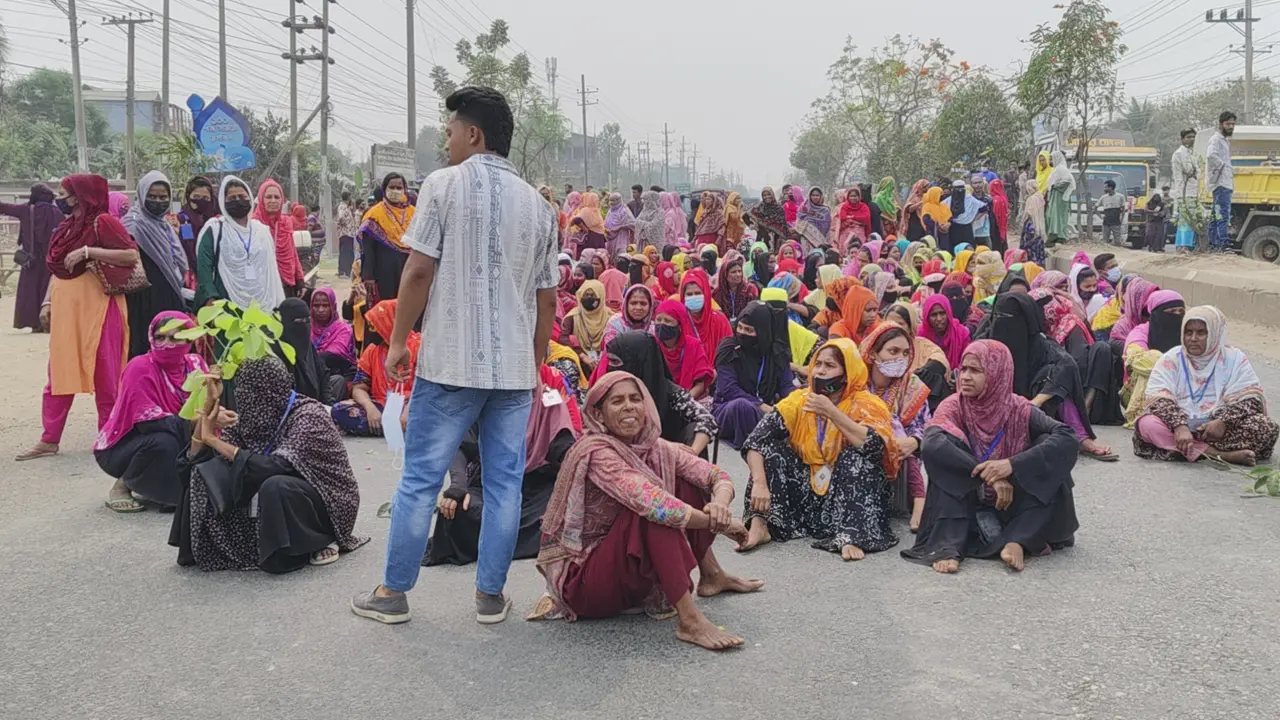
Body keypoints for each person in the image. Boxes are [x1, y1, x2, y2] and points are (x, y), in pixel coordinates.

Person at [352, 87, 560, 626]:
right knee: (506, 482)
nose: (445, 142)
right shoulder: (540, 206)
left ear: (474, 134)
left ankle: (393, 594)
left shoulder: (443, 186)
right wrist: (534, 366)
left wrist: (397, 343)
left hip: (450, 365)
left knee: (420, 477)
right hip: (513, 369)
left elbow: (417, 271)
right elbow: (546, 299)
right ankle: (490, 597)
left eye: (449, 132)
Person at [526, 372, 758, 651]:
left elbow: (713, 475)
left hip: (623, 568)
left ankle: (712, 575)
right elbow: (655, 505)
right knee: (655, 513)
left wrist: (720, 504)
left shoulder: (655, 447)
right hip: (585, 582)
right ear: (598, 414)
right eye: (617, 401)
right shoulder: (597, 452)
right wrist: (722, 524)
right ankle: (690, 621)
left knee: (683, 482)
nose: (628, 407)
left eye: (635, 399)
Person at [170, 356, 369, 572]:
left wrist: (214, 440)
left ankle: (317, 541)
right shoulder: (252, 416)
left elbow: (273, 467)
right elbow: (198, 466)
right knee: (204, 476)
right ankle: (218, 548)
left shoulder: (308, 414)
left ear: (272, 391)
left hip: (326, 502)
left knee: (276, 486)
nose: (243, 397)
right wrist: (208, 411)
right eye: (241, 389)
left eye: (251, 391)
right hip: (272, 494)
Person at [901, 340, 1079, 573]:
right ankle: (948, 546)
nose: (964, 377)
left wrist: (1012, 465)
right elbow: (932, 443)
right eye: (963, 369)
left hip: (1013, 503)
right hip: (968, 502)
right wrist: (989, 476)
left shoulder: (1018, 408)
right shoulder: (954, 406)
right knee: (941, 449)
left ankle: (1017, 540)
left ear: (997, 373)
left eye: (975, 370)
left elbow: (1067, 437)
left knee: (1050, 451)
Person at [736, 338, 900, 560]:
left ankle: (851, 535)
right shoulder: (800, 400)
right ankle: (761, 525)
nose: (821, 371)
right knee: (771, 450)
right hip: (809, 496)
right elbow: (756, 440)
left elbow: (875, 447)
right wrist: (759, 483)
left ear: (846, 373)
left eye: (830, 366)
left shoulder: (866, 403)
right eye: (818, 364)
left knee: (856, 457)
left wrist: (831, 411)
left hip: (849, 497)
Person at [16, 175, 139, 462]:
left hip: (99, 307)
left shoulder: (104, 222)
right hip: (67, 311)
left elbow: (130, 255)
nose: (61, 199)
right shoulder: (67, 226)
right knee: (59, 372)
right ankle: (49, 438)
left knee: (106, 374)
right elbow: (58, 270)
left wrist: (88, 251)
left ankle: (108, 435)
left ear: (82, 195)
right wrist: (47, 301)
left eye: (65, 194)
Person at [425, 363, 578, 568]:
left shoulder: (548, 401)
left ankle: (498, 542)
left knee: (562, 510)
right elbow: (461, 446)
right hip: (491, 481)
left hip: (539, 485)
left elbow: (564, 449)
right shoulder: (486, 400)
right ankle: (516, 541)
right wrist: (458, 487)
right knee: (460, 509)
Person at [1133, 306, 1277, 465]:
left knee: (1265, 427)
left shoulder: (1234, 358)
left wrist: (1223, 421)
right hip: (1177, 429)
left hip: (1216, 431)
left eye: (1201, 332)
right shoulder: (1171, 358)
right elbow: (1158, 398)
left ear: (1215, 334)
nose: (1193, 338)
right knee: (1147, 423)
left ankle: (1188, 451)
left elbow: (1251, 398)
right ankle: (1219, 455)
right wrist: (1179, 426)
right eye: (1188, 332)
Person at [94, 311, 209, 512]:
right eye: (160, 337)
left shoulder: (196, 364)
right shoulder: (140, 367)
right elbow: (148, 423)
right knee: (163, 441)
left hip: (180, 434)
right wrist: (194, 422)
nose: (167, 344)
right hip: (126, 447)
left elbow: (207, 407)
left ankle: (170, 489)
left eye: (175, 337)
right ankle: (123, 485)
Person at [989, 292, 1116, 461]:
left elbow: (1067, 364)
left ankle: (1081, 437)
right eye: (998, 316)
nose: (1003, 322)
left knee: (1053, 372)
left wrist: (1037, 401)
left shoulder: (1040, 344)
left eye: (1011, 317)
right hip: (992, 409)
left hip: (1032, 408)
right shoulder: (986, 342)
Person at [859, 324, 932, 531]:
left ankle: (919, 501)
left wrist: (914, 440)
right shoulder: (856, 382)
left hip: (903, 456)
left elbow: (927, 424)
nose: (901, 358)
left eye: (906, 353)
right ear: (873, 353)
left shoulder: (912, 384)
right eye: (893, 351)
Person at [593, 331, 717, 453]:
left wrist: (692, 452)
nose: (610, 367)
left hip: (666, 457)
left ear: (639, 362)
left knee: (693, 430)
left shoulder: (669, 392)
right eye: (610, 361)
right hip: (618, 455)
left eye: (615, 362)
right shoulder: (607, 389)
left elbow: (706, 419)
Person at [121, 171, 191, 359]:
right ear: (142, 195)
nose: (158, 201)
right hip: (143, 298)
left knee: (174, 346)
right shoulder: (132, 223)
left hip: (169, 294)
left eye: (163, 197)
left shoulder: (165, 225)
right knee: (145, 349)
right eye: (152, 196)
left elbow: (177, 261)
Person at [193, 176, 287, 311]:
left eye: (242, 196)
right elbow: (204, 269)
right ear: (223, 202)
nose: (238, 201)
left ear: (250, 198)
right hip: (226, 303)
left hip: (263, 304)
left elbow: (271, 271)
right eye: (232, 198)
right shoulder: (214, 229)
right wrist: (210, 300)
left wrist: (278, 303)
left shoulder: (261, 230)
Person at [714, 301, 795, 449]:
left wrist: (793, 403)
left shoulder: (776, 351)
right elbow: (728, 389)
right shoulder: (729, 348)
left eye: (749, 330)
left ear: (764, 332)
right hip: (729, 408)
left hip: (768, 407)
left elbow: (786, 385)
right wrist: (760, 405)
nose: (742, 333)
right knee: (742, 406)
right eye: (740, 328)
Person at [331, 299, 417, 436]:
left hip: (413, 405)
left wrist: (409, 408)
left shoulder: (419, 346)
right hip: (382, 406)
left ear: (390, 323)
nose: (372, 330)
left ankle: (389, 427)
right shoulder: (372, 351)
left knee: (429, 414)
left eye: (376, 325)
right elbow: (359, 387)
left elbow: (426, 387)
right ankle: (394, 428)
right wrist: (369, 407)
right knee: (339, 410)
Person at [4, 183, 63, 332]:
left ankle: (34, 323)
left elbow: (4, 207)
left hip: (31, 259)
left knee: (30, 291)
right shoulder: (58, 212)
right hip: (52, 258)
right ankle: (50, 322)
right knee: (48, 289)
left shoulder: (25, 210)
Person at [358, 173, 416, 305]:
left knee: (408, 307)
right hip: (383, 272)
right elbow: (368, 250)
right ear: (385, 189)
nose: (395, 191)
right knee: (385, 309)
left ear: (404, 189)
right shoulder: (374, 214)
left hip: (409, 269)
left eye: (398, 187)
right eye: (392, 187)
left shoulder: (414, 213)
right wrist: (369, 276)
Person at [276, 298, 344, 404]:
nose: (304, 325)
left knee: (338, 381)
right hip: (292, 408)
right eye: (299, 321)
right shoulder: (278, 351)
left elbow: (323, 374)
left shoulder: (307, 346)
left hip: (316, 403)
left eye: (307, 320)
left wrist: (326, 404)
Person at [653, 299, 716, 400]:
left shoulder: (693, 345)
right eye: (658, 320)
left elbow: (700, 384)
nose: (662, 324)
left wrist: (683, 401)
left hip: (690, 399)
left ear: (680, 325)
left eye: (668, 321)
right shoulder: (651, 345)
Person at [249, 179, 304, 297]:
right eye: (268, 197)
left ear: (282, 200)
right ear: (261, 199)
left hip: (286, 283)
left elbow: (292, 252)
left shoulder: (286, 222)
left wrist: (299, 279)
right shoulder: (252, 224)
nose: (273, 200)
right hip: (262, 286)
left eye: (277, 197)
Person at [679, 268, 733, 368]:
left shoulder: (720, 320)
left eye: (698, 293)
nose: (694, 297)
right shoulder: (679, 322)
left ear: (706, 294)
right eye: (689, 294)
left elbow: (729, 352)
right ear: (683, 297)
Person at [560, 279, 614, 378]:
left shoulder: (611, 318)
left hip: (606, 363)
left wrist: (604, 358)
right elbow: (563, 338)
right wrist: (581, 355)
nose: (589, 298)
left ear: (601, 297)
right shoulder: (573, 317)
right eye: (586, 295)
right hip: (580, 364)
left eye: (593, 295)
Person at [310, 286, 357, 377]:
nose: (321, 310)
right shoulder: (307, 328)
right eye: (316, 306)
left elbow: (336, 352)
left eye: (325, 305)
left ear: (333, 306)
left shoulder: (343, 329)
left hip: (338, 375)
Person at [1206, 111, 1236, 253]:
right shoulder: (1216, 139)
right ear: (1221, 124)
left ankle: (1213, 245)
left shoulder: (1225, 140)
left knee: (1215, 215)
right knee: (1222, 215)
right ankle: (1223, 245)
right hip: (1221, 184)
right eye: (1228, 124)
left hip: (1224, 183)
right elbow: (1211, 155)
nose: (1231, 126)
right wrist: (1222, 167)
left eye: (1232, 124)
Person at [177, 176, 218, 272]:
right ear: (188, 196)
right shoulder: (182, 220)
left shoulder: (216, 221)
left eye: (205, 198)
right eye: (196, 197)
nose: (200, 201)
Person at [1171, 129, 1201, 254]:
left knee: (1191, 220)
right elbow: (1184, 174)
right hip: (1185, 192)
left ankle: (1185, 246)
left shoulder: (1193, 153)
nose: (1192, 139)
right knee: (1186, 221)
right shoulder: (1179, 154)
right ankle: (1184, 246)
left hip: (1194, 192)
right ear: (1182, 139)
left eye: (1193, 137)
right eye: (1189, 137)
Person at [710, 249, 758, 319]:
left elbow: (753, 312)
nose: (738, 274)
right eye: (733, 272)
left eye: (739, 271)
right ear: (725, 275)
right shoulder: (717, 293)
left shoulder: (750, 290)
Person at [1045, 151, 1075, 247]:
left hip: (1059, 197)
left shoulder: (1061, 169)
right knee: (1052, 216)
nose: (1050, 161)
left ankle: (1059, 237)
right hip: (1055, 196)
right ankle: (1054, 236)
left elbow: (1067, 181)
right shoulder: (1057, 169)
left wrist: (1055, 186)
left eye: (1051, 159)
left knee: (1057, 216)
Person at [794, 187, 832, 252]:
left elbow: (826, 226)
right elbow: (799, 221)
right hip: (805, 237)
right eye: (813, 195)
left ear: (821, 196)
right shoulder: (804, 207)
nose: (815, 197)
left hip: (820, 238)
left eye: (817, 195)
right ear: (809, 196)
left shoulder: (825, 210)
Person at [835, 186, 873, 252]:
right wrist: (858, 221)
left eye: (855, 196)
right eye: (851, 196)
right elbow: (843, 217)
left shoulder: (864, 206)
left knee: (859, 252)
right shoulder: (844, 206)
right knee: (845, 252)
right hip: (845, 234)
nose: (853, 198)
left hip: (859, 234)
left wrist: (852, 217)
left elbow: (865, 218)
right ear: (848, 197)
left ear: (859, 197)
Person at [604, 192, 637, 258]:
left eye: (613, 200)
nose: (611, 202)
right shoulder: (610, 211)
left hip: (621, 237)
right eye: (610, 200)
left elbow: (633, 224)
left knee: (620, 255)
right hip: (610, 237)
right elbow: (606, 222)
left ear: (618, 200)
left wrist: (620, 227)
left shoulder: (624, 211)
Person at [335, 191, 359, 278]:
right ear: (348, 198)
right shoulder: (343, 207)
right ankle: (343, 272)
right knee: (346, 253)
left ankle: (347, 271)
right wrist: (346, 225)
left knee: (348, 253)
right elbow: (340, 218)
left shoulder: (346, 207)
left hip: (349, 233)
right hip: (345, 233)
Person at [1097, 180, 1126, 247]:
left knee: (1117, 241)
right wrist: (1101, 217)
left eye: (1106, 187)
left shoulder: (1120, 197)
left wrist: (1121, 220)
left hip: (1116, 222)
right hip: (1106, 223)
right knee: (1105, 241)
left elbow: (1123, 210)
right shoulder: (1103, 197)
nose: (1104, 189)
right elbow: (1095, 208)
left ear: (1111, 187)